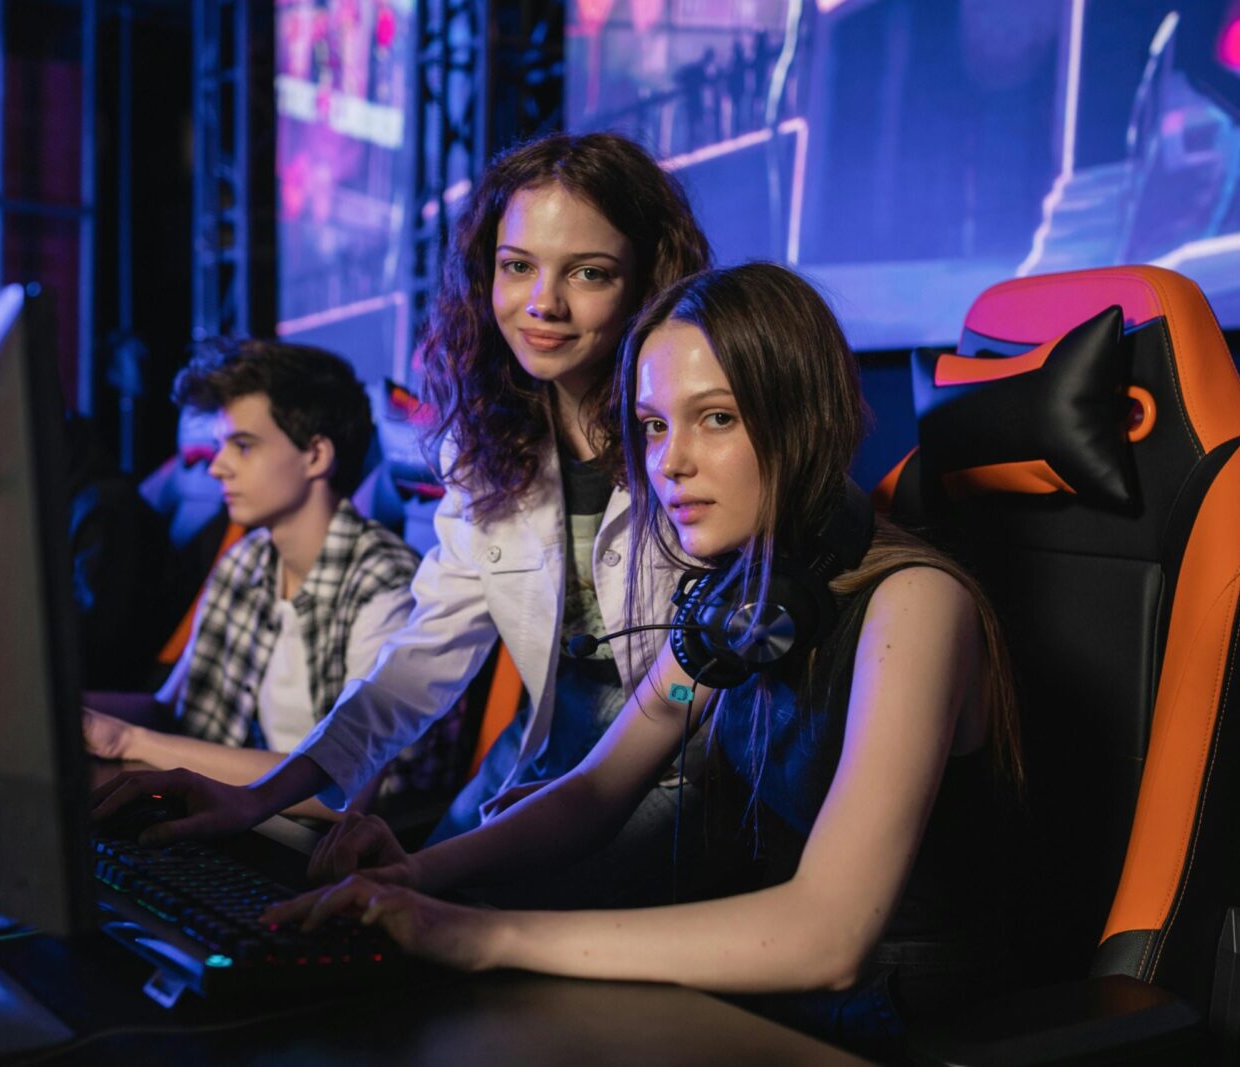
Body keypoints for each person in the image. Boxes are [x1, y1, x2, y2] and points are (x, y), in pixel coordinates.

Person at [259, 264, 1023, 1055]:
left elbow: (826, 937)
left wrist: (482, 934)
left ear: (803, 419)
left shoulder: (917, 605)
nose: (670, 462)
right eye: (655, 425)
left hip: (890, 1029)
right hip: (759, 1007)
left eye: (716, 418)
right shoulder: (737, 603)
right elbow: (595, 790)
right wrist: (422, 872)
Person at [94, 132, 713, 885]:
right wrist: (257, 799)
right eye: (517, 267)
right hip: (550, 762)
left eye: (588, 272)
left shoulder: (700, 439)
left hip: (687, 779)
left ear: (649, 281)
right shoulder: (487, 448)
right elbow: (420, 663)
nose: (542, 303)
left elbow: (690, 702)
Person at [83, 339, 420, 814]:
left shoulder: (385, 582)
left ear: (316, 456)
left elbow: (350, 789)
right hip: (230, 824)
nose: (218, 465)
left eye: (243, 446)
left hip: (329, 853)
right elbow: (169, 709)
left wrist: (128, 742)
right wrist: (59, 710)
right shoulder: (246, 561)